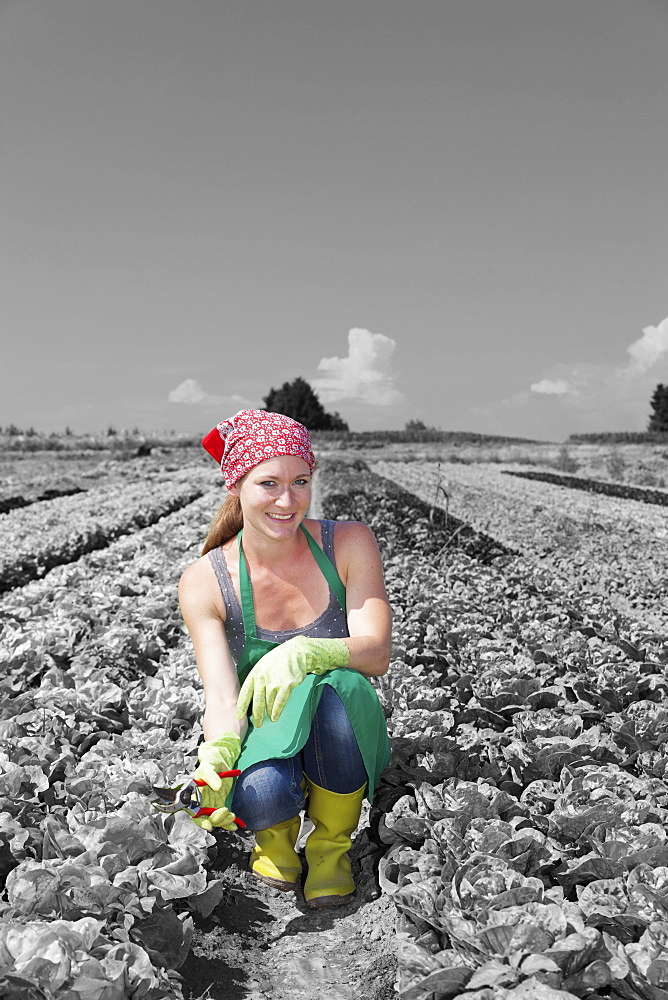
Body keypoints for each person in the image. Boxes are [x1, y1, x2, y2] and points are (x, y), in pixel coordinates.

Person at [177, 409, 392, 908]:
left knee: (341, 689)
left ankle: (329, 851)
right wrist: (217, 760)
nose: (287, 500)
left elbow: (376, 652)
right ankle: (275, 841)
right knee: (261, 794)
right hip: (264, 725)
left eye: (300, 481)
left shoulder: (349, 543)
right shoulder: (205, 580)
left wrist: (307, 651)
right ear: (237, 486)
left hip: (340, 724)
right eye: (268, 483)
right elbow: (222, 696)